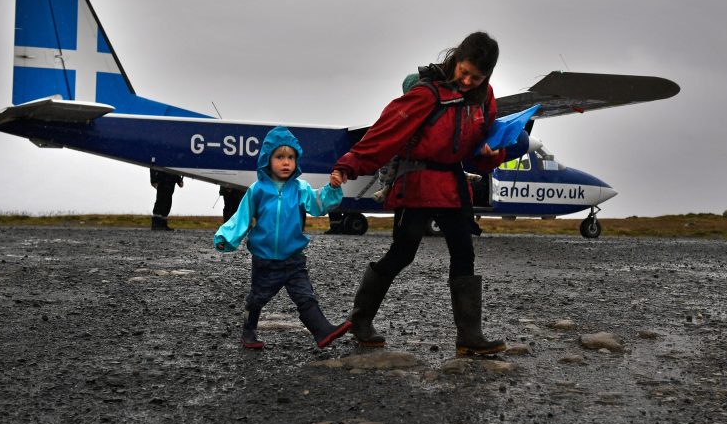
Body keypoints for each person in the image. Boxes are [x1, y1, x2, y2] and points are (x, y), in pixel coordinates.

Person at [332, 31, 512, 356]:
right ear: (456, 59)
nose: (468, 81)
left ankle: (469, 337)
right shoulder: (426, 94)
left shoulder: (484, 99)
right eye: (464, 72)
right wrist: (350, 164)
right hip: (416, 180)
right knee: (403, 253)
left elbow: (478, 147)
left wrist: (490, 151)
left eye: (477, 77)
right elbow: (386, 131)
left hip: (453, 185)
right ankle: (360, 320)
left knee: (464, 253)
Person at [214, 126, 351, 350]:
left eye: (290, 157)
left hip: (294, 258)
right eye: (279, 157)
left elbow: (319, 204)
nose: (286, 162)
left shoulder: (300, 188)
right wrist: (226, 237)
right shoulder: (258, 190)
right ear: (267, 159)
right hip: (265, 259)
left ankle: (322, 330)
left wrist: (332, 188)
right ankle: (248, 332)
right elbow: (242, 217)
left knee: (305, 295)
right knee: (257, 298)